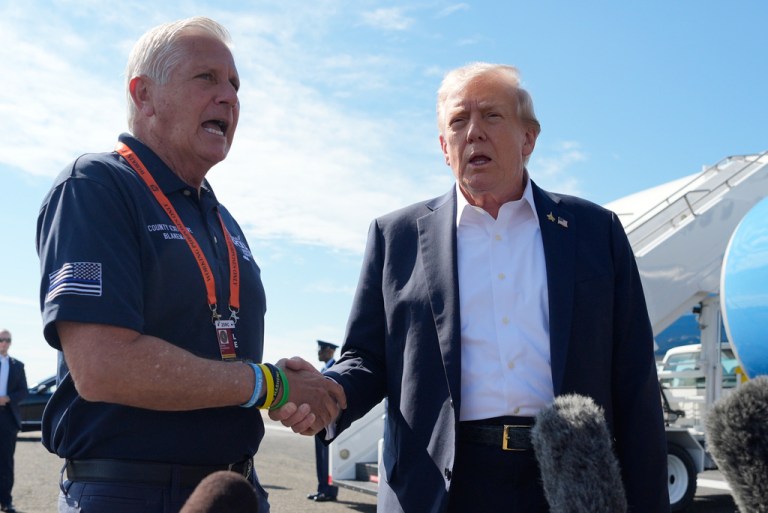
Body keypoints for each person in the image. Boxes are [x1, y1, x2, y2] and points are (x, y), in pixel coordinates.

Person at [272, 62, 669, 512]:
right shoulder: (396, 236)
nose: (474, 132)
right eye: (459, 122)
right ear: (445, 147)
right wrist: (328, 394)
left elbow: (634, 378)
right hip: (442, 483)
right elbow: (367, 357)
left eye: (492, 116)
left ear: (529, 138)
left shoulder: (595, 231)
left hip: (567, 480)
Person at [35, 17, 345, 513]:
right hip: (127, 493)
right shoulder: (96, 186)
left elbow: (222, 363)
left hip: (233, 489)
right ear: (144, 95)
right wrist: (269, 384)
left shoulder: (221, 219)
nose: (229, 97)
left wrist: (290, 394)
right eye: (207, 78)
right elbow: (103, 366)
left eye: (235, 85)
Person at [307, 340, 339, 502]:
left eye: (321, 350)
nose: (318, 353)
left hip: (330, 423)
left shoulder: (335, 368)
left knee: (328, 458)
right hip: (320, 421)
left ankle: (329, 491)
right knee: (321, 457)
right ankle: (322, 489)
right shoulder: (324, 369)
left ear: (330, 351)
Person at [0, 329, 27, 513]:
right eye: (1, 339)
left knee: (6, 463)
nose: (4, 343)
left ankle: (6, 502)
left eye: (7, 340)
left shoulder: (17, 365)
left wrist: (7, 398)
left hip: (7, 418)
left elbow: (23, 391)